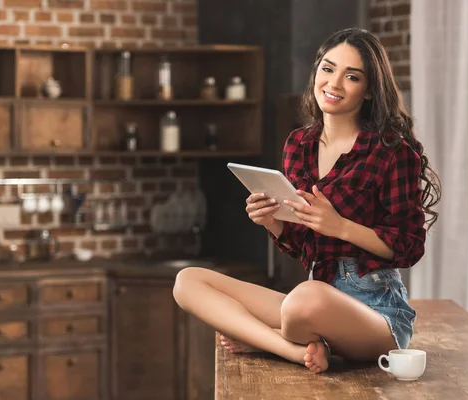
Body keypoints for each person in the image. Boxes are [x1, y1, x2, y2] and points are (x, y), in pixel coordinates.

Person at [173, 27, 441, 374]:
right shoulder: (299, 143)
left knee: (303, 298)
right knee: (189, 281)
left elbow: (409, 246)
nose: (334, 83)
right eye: (328, 69)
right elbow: (302, 244)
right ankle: (290, 348)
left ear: (370, 89)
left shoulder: (392, 151)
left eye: (352, 76)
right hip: (314, 299)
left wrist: (341, 227)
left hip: (375, 312)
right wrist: (273, 221)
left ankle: (266, 339)